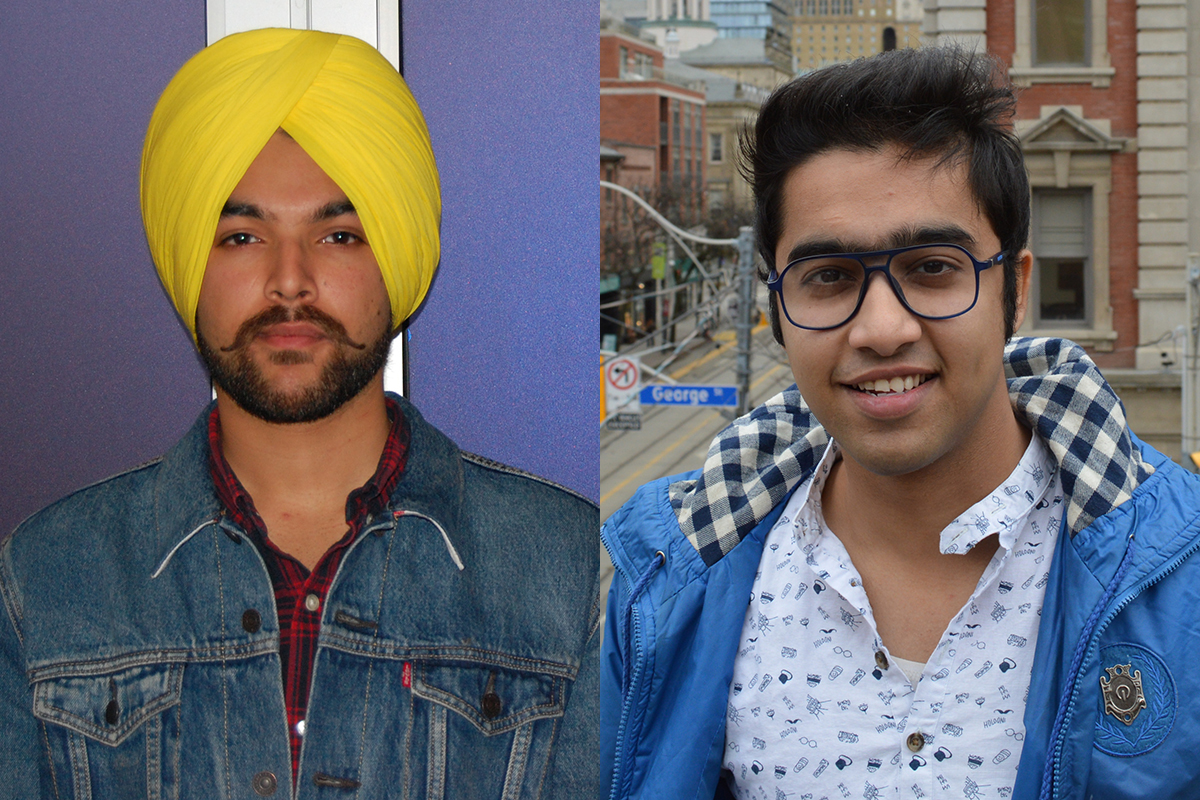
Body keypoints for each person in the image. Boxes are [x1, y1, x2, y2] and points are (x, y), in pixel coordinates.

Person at [0, 28, 598, 798]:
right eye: (243, 236)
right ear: (189, 262)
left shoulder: (570, 572)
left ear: (396, 260)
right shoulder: (43, 581)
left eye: (339, 235)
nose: (291, 282)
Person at [600, 46, 1200, 800]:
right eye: (828, 278)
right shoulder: (661, 587)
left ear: (1012, 290)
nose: (881, 328)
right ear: (777, 312)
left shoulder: (1182, 580)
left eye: (932, 267)